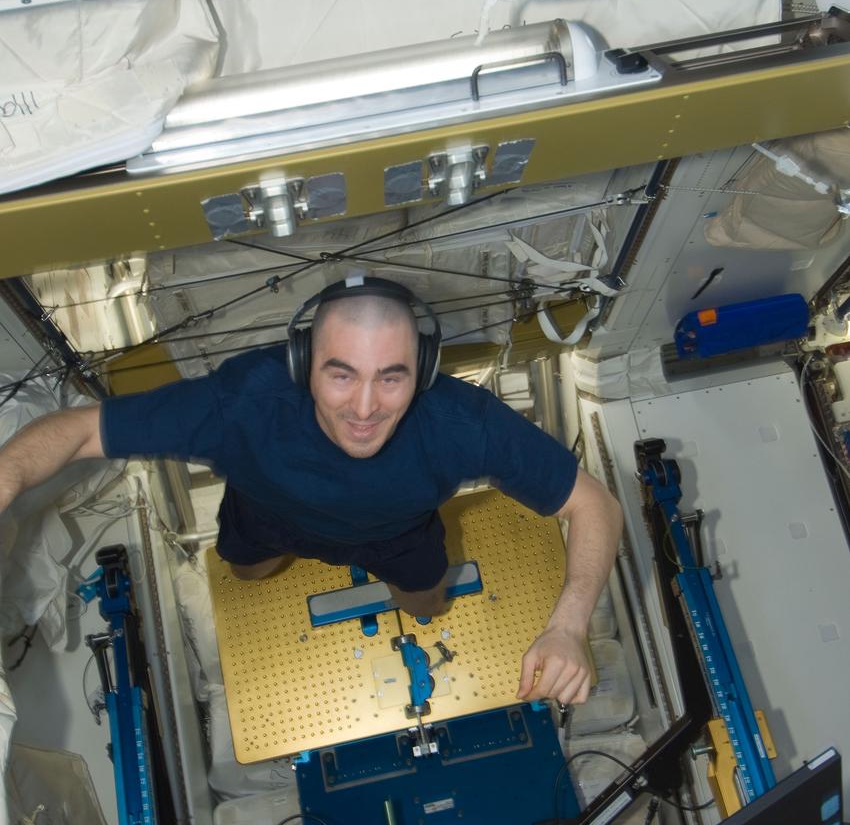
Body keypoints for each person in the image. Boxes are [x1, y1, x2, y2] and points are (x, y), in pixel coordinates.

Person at [0, 277, 622, 706]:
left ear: (424, 372)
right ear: (303, 364)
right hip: (269, 522)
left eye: (392, 378)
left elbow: (594, 504)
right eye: (341, 374)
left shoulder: (462, 422)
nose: (365, 407)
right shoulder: (242, 406)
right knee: (247, 574)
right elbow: (81, 432)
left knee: (426, 604)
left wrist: (569, 627)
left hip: (399, 536)